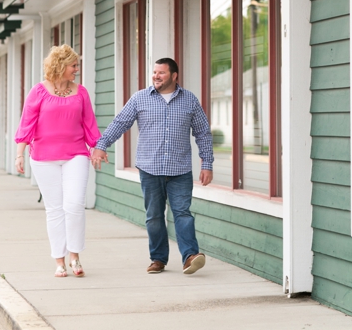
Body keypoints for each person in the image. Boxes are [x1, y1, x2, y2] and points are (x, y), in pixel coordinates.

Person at [90, 58, 213, 275]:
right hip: (150, 168)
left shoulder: (190, 100)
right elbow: (120, 123)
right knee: (154, 215)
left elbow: (202, 132)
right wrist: (101, 145)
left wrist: (207, 163)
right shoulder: (140, 98)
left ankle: (190, 257)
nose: (156, 76)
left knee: (182, 213)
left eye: (161, 73)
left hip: (180, 169)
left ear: (174, 76)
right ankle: (158, 258)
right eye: (154, 72)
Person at [14, 45, 100, 278]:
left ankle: (75, 256)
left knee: (73, 205)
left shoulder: (80, 92)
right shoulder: (39, 91)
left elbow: (89, 123)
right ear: (61, 66)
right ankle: (59, 261)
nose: (76, 70)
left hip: (76, 155)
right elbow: (27, 124)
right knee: (54, 210)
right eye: (73, 65)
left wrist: (97, 148)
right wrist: (20, 153)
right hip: (43, 158)